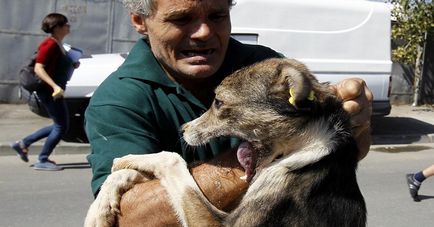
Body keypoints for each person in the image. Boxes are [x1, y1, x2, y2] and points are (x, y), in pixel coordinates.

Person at [84, 0, 373, 224]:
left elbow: (350, 154)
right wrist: (265, 155)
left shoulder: (262, 65)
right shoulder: (117, 100)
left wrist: (353, 122)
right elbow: (130, 219)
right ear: (140, 21)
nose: (204, 32)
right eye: (181, 18)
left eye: (217, 16)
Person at [11, 13, 79, 171]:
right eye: (65, 24)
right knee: (61, 127)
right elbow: (39, 68)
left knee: (60, 125)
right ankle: (42, 158)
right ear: (56, 27)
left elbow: (56, 66)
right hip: (49, 92)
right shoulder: (48, 44)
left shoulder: (58, 44)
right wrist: (54, 86)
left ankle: (23, 144)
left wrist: (72, 65)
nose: (68, 26)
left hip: (55, 91)